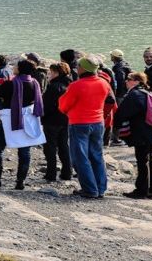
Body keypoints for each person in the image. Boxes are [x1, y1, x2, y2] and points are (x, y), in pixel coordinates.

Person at [59, 54, 112, 198]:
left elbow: (63, 106)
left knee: (80, 157)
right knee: (96, 155)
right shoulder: (104, 83)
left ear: (83, 69)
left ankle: (90, 189)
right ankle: (100, 188)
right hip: (98, 123)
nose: (77, 68)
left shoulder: (76, 86)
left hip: (79, 123)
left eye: (78, 66)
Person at [0, 59, 44, 190]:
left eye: (16, 66)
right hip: (28, 118)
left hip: (11, 118)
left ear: (20, 69)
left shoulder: (11, 83)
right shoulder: (34, 83)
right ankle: (20, 182)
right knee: (24, 150)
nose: (14, 67)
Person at [114, 72, 152, 199]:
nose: (126, 81)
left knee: (142, 160)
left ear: (136, 81)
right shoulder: (149, 93)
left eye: (129, 79)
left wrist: (116, 126)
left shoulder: (134, 95)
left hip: (141, 131)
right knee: (151, 158)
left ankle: (141, 190)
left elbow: (123, 113)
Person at [42, 62, 73, 182]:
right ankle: (67, 173)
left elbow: (48, 105)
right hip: (66, 120)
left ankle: (51, 174)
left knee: (50, 148)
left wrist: (42, 116)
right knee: (64, 146)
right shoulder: (70, 85)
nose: (49, 74)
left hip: (52, 121)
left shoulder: (54, 86)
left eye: (51, 72)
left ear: (56, 73)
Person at [108, 49, 132, 145]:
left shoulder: (118, 68)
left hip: (119, 95)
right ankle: (123, 136)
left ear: (113, 57)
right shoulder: (125, 64)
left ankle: (116, 138)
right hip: (125, 93)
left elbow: (119, 81)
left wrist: (116, 92)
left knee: (117, 115)